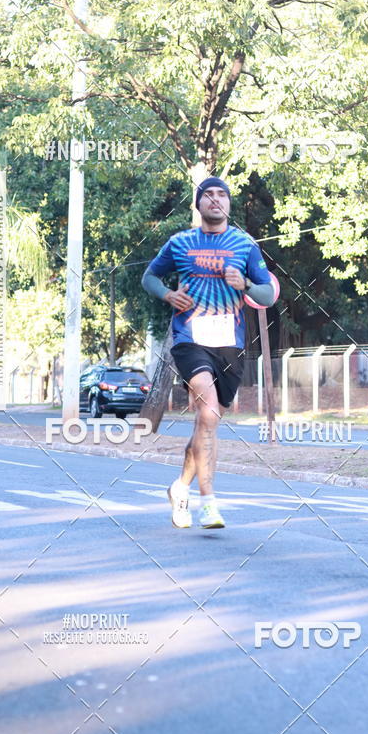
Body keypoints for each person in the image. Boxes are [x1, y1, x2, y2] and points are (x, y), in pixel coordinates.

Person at [142, 177, 276, 529]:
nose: (216, 200)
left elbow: (267, 296)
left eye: (222, 195)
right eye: (208, 195)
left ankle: (180, 487)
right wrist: (169, 295)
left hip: (229, 345)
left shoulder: (245, 245)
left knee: (208, 420)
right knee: (209, 411)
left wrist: (245, 284)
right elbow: (149, 278)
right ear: (198, 204)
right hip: (190, 339)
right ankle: (209, 503)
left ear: (229, 204)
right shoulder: (180, 243)